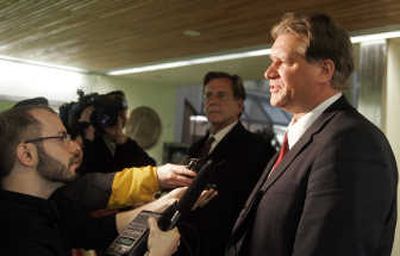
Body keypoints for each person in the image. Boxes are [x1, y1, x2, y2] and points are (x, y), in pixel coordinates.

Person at [226, 12, 398, 256]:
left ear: (324, 70)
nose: (268, 73)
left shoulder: (352, 143)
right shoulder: (305, 138)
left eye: (282, 62)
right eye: (270, 61)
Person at [0, 105, 183, 256]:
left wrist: (168, 203)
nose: (75, 147)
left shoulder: (49, 207)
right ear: (27, 154)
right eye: (61, 138)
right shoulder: (18, 238)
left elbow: (100, 230)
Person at [178, 72, 276, 255]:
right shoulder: (196, 148)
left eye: (221, 95)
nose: (213, 101)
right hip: (187, 245)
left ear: (239, 105)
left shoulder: (257, 149)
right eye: (208, 95)